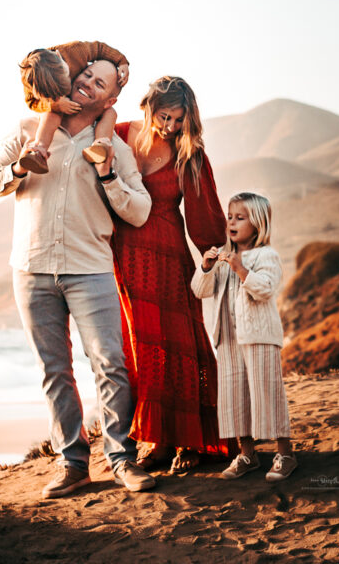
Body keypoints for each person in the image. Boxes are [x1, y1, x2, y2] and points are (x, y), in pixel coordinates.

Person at [0, 58, 156, 498]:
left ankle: (121, 460)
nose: (87, 83)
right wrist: (19, 168)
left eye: (99, 82)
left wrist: (107, 174)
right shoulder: (28, 128)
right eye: (85, 74)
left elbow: (139, 211)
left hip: (90, 268)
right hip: (31, 267)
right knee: (54, 370)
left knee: (110, 364)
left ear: (111, 98)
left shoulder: (114, 147)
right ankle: (72, 464)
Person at [113, 76, 227, 474]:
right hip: (122, 257)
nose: (172, 127)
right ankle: (152, 440)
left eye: (180, 120)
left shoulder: (187, 153)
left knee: (178, 347)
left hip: (168, 259)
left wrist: (217, 259)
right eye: (166, 117)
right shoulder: (116, 134)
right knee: (139, 350)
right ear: (148, 107)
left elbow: (205, 217)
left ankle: (185, 441)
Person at [191, 191, 296, 482]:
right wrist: (206, 267)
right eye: (230, 216)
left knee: (267, 392)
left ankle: (285, 453)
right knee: (234, 395)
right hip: (227, 338)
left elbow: (265, 289)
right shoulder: (223, 255)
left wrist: (241, 269)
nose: (232, 222)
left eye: (240, 217)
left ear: (258, 224)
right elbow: (200, 290)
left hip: (259, 336)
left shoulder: (266, 255)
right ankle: (247, 453)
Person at [17, 40, 129, 174]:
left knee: (110, 113)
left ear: (59, 56)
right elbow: (32, 102)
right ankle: (39, 150)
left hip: (88, 101)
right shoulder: (33, 82)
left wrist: (122, 62)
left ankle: (101, 145)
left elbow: (99, 48)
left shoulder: (75, 51)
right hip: (62, 103)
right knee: (51, 113)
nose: (67, 79)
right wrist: (55, 104)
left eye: (65, 75)